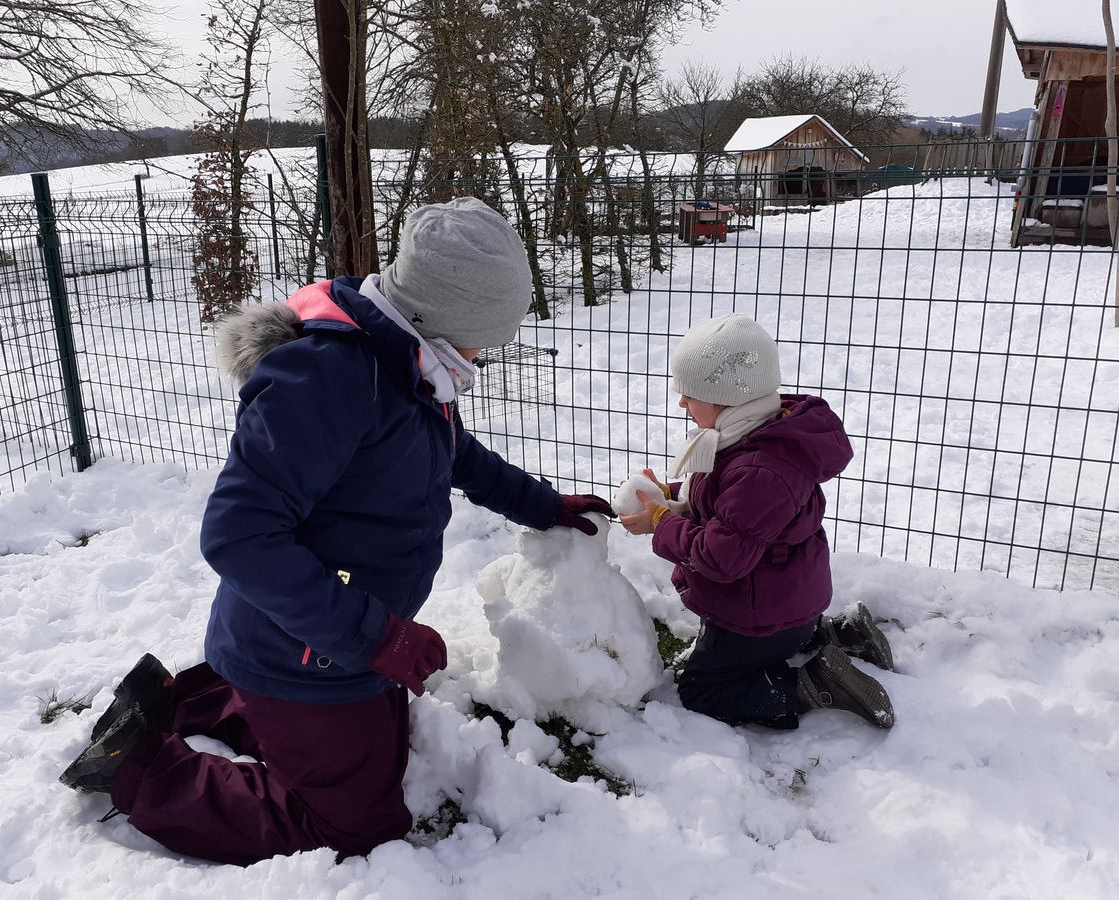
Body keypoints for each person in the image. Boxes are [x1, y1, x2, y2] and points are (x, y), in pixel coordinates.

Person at [59, 197, 613, 865]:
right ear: (440, 310)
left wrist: (544, 505)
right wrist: (374, 637)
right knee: (356, 827)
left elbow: (455, 454)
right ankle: (141, 769)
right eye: (484, 333)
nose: (484, 351)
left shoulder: (406, 361)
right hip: (305, 647)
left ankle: (186, 701)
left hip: (336, 641)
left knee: (385, 753)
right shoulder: (331, 379)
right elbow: (237, 534)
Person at [618, 314, 895, 731]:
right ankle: (839, 636)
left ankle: (812, 684)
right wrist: (673, 496)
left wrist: (660, 523)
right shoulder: (757, 435)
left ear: (727, 397)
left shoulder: (762, 469)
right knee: (778, 637)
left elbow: (721, 557)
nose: (682, 405)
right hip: (783, 600)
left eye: (690, 395)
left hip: (759, 615)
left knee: (702, 691)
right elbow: (726, 502)